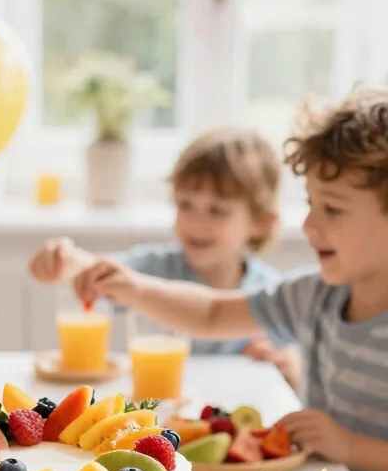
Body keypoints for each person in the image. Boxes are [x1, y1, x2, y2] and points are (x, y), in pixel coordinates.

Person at [72, 91, 388, 471]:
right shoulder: (316, 295)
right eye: (310, 204)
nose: (309, 226)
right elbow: (211, 314)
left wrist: (350, 447)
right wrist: (136, 288)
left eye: (334, 209)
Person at [28, 126, 300, 387]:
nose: (196, 222)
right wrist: (67, 262)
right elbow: (104, 272)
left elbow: (294, 375)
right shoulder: (152, 269)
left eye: (217, 210)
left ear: (260, 221)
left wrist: (288, 368)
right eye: (185, 204)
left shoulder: (270, 294)